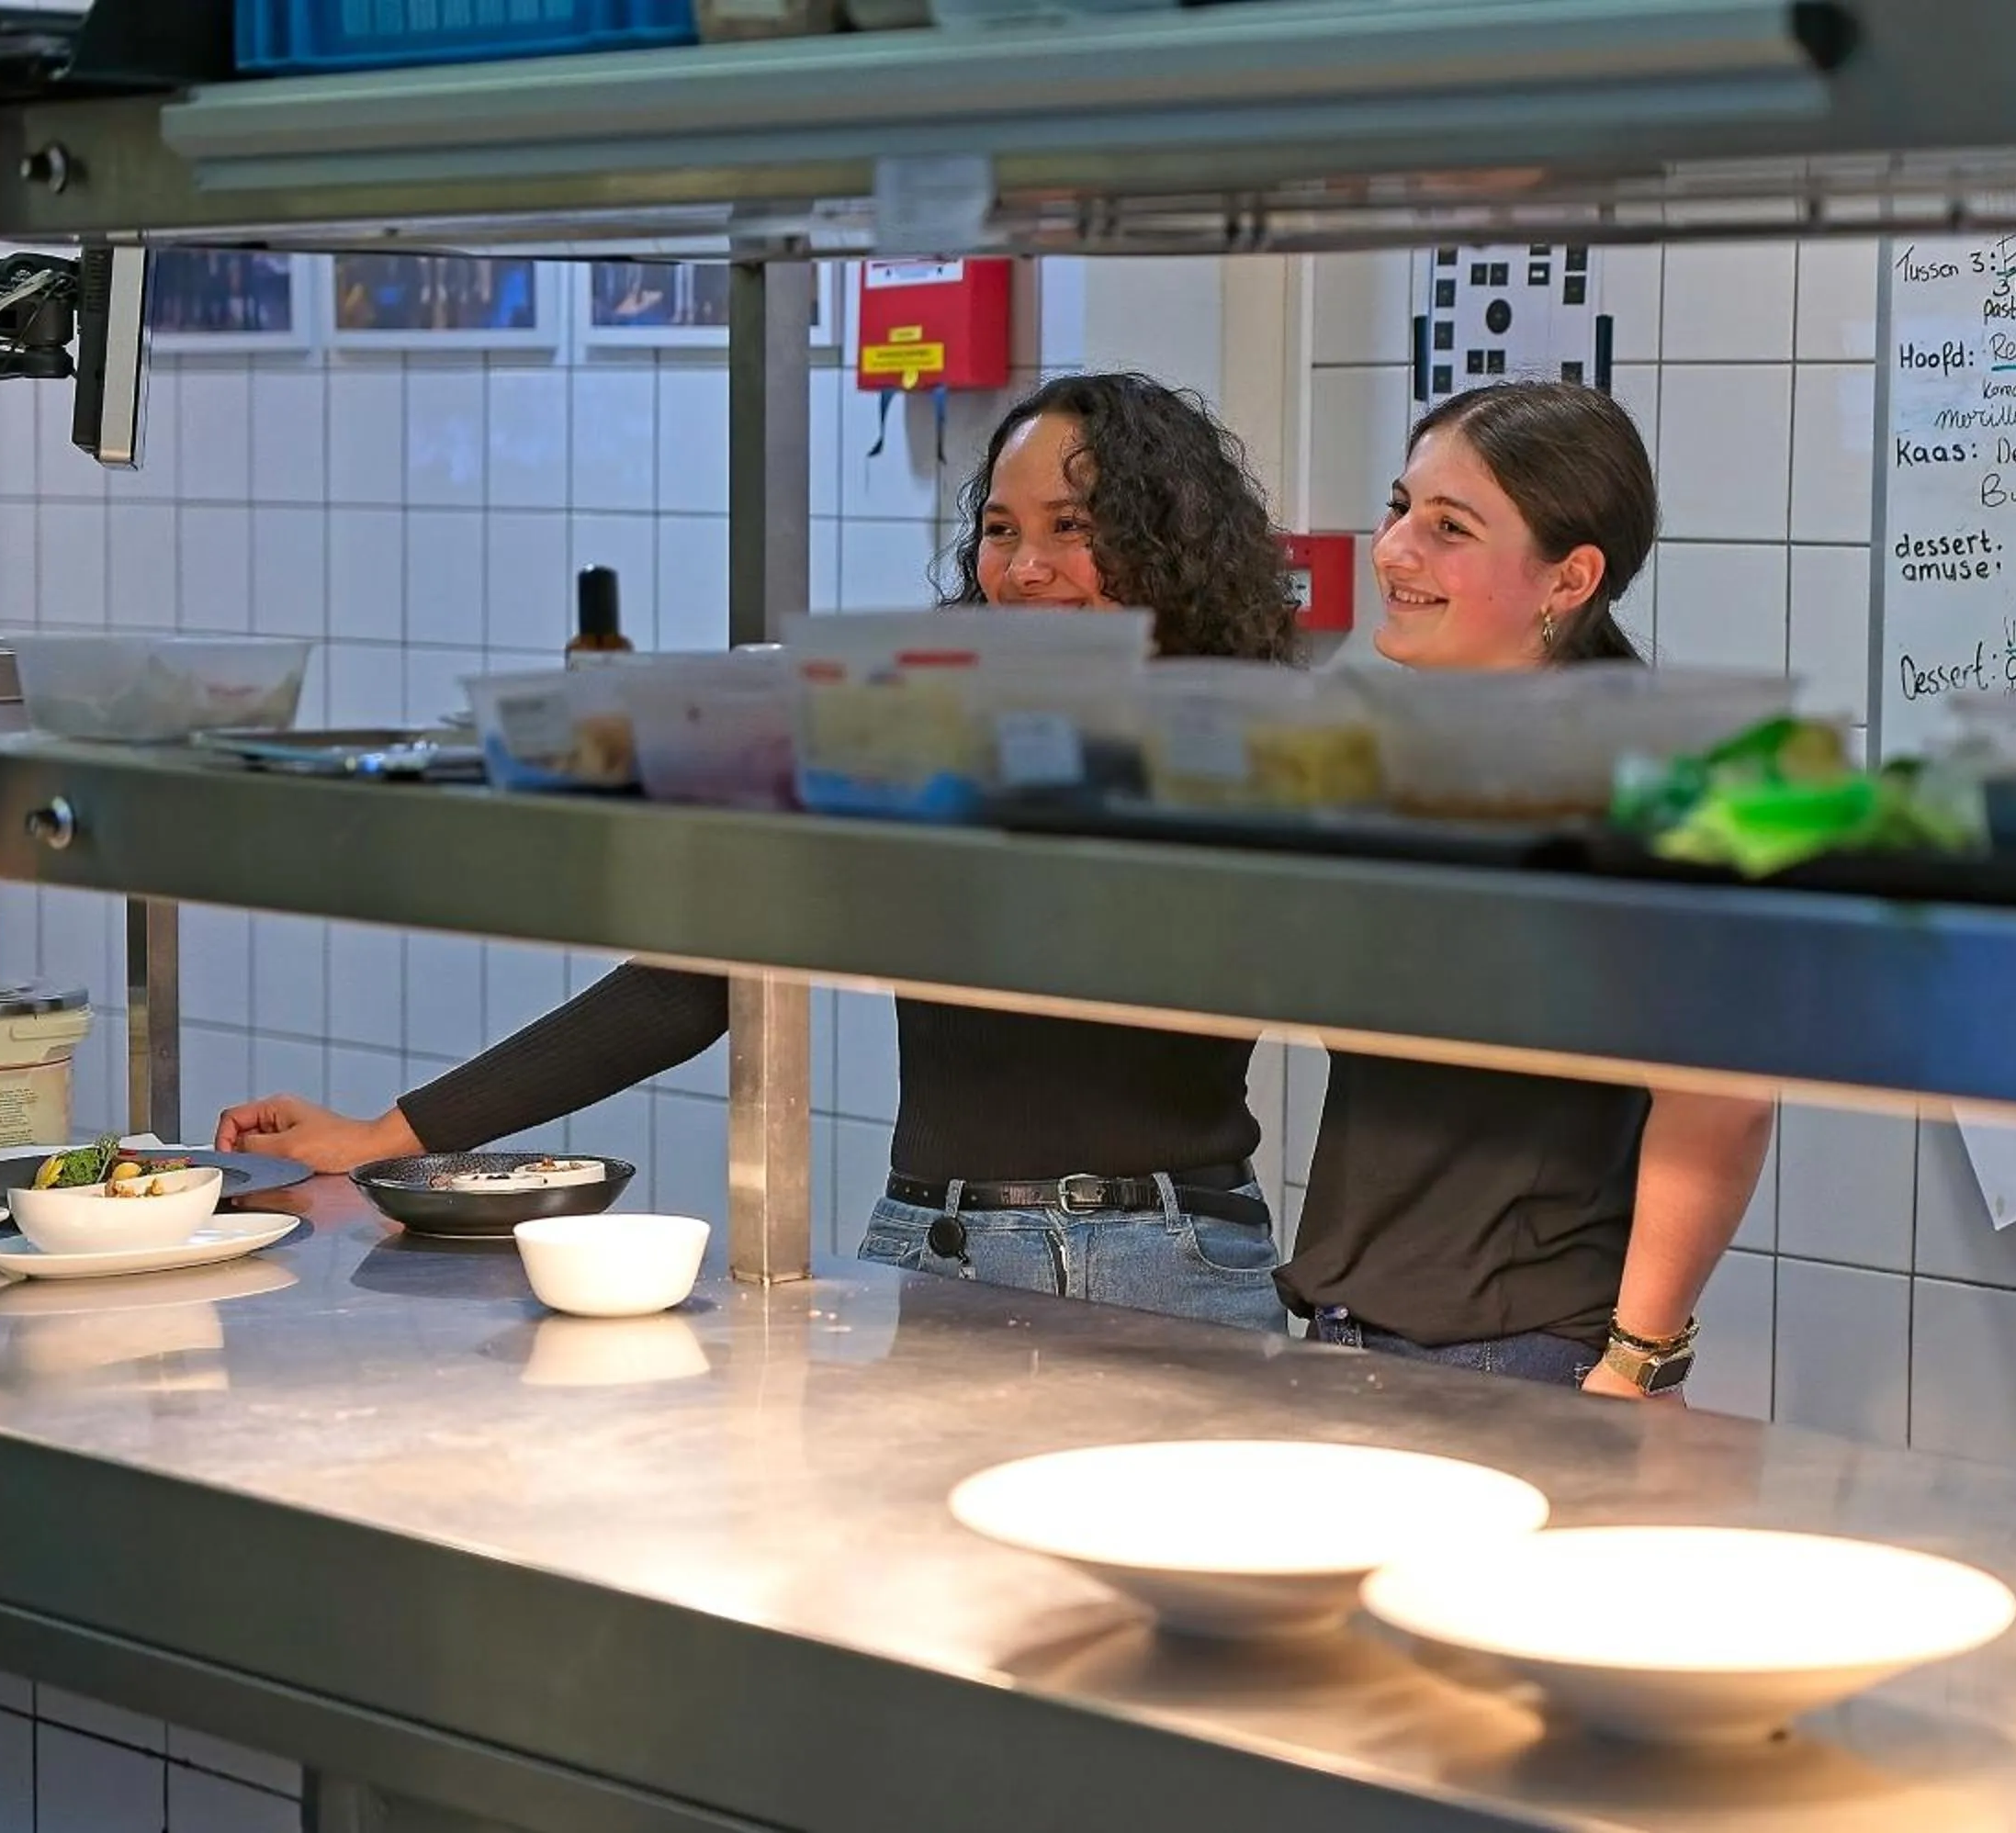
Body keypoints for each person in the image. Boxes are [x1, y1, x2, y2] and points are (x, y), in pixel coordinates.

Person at [218, 373, 1301, 1334]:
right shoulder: (925, 751)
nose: (1025, 568)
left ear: (1169, 546)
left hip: (1166, 1257)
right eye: (1001, 528)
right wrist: (388, 1136)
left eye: (1073, 527)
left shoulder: (1247, 752)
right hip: (935, 1246)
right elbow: (697, 977)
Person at [1279, 379, 1777, 1400]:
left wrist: (1637, 1362)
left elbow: (1723, 1101)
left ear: (1570, 577)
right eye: (1399, 507)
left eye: (1449, 527)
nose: (1394, 550)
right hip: (1351, 1323)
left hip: (1523, 1351)